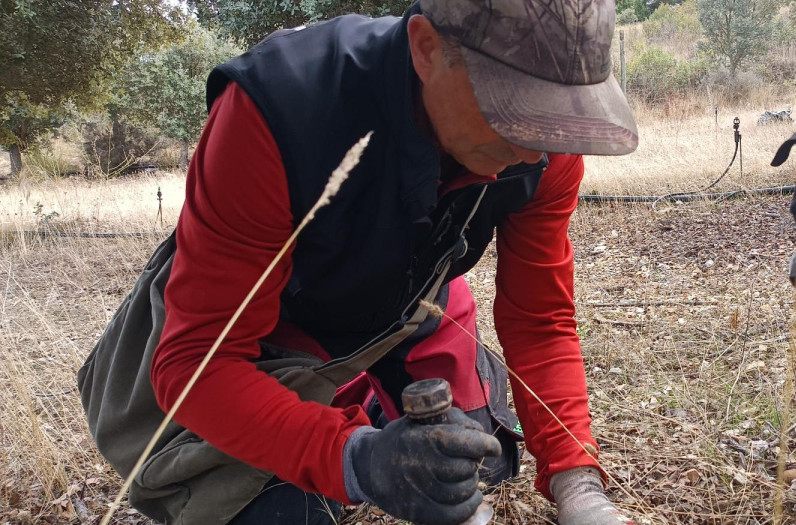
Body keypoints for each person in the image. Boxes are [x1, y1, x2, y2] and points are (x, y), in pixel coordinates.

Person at [76, 0, 639, 524]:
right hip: (267, 334)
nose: (534, 150)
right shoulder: (276, 108)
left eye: (560, 114)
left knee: (473, 467)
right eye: (511, 107)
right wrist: (359, 460)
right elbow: (197, 362)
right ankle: (357, 420)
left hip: (404, 312)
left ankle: (374, 405)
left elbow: (540, 320)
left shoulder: (548, 150)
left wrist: (577, 482)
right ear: (425, 48)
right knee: (286, 511)